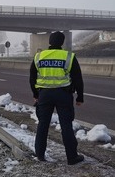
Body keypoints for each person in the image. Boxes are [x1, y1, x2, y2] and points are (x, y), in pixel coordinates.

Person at [29, 31, 84, 165]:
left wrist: (36, 95)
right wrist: (80, 97)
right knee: (66, 126)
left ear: (49, 41)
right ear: (62, 42)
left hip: (45, 95)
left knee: (43, 125)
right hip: (63, 95)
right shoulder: (68, 56)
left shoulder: (39, 56)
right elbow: (77, 78)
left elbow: (32, 78)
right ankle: (72, 157)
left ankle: (40, 155)